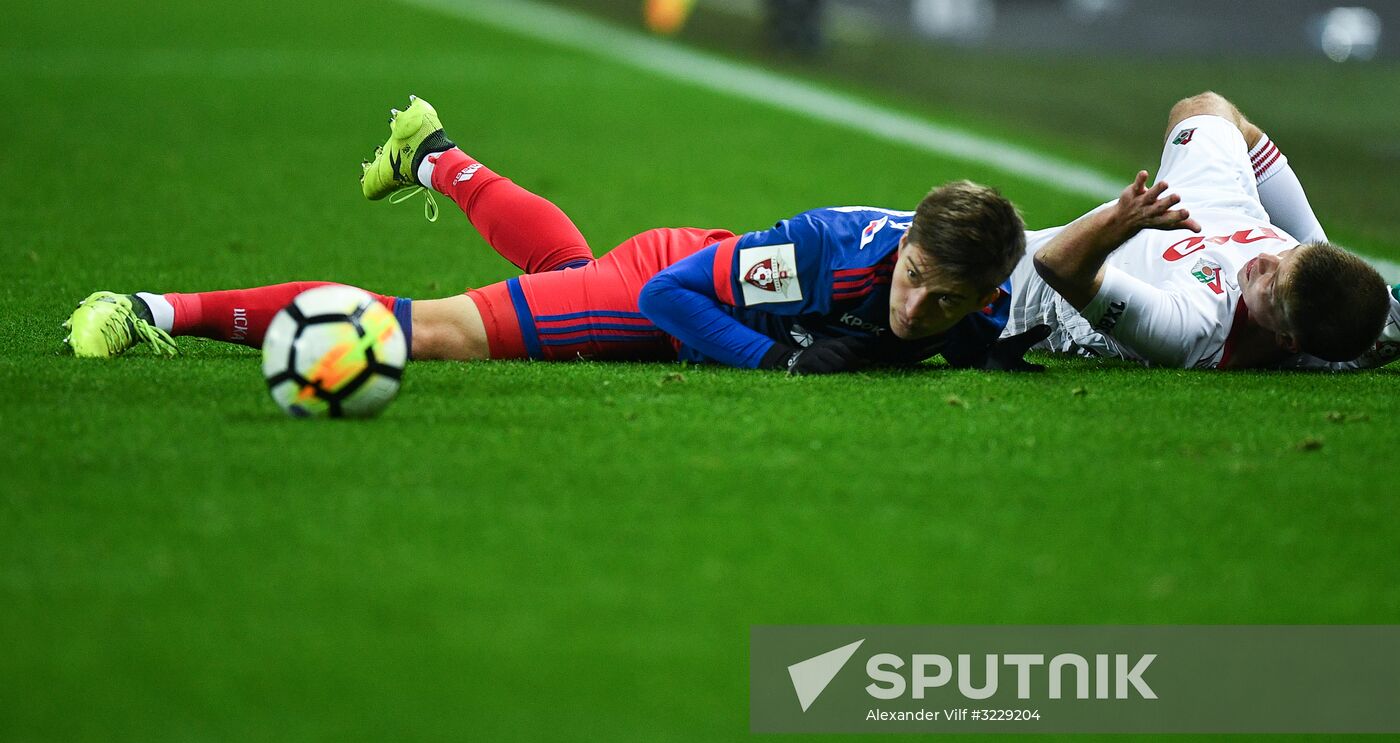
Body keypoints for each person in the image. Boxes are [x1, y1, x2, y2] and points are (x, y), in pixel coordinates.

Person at [63, 96, 1044, 374]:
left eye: (946, 300)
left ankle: (431, 154)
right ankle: (152, 309)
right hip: (666, 292)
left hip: (687, 276)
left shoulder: (975, 283)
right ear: (901, 246)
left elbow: (974, 318)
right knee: (429, 331)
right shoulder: (826, 252)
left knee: (560, 269)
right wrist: (770, 361)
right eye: (913, 278)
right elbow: (668, 296)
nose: (918, 305)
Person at [1000, 91, 1397, 370]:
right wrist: (1315, 250)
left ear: (1287, 341)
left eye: (1273, 283)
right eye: (1287, 255)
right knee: (1207, 110)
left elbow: (1058, 264)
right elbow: (1205, 107)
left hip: (1028, 288)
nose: (1264, 259)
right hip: (1218, 208)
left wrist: (1123, 221)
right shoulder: (1371, 315)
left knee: (969, 244)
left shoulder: (1192, 327)